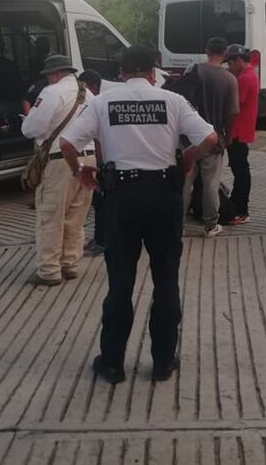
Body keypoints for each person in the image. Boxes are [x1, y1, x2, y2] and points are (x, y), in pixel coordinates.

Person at [58, 46, 218, 383]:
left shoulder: (101, 103)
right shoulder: (171, 100)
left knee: (120, 282)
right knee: (165, 279)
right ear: (151, 72)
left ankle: (113, 363)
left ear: (121, 72)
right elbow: (210, 137)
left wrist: (80, 172)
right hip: (163, 195)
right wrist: (188, 155)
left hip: (122, 197)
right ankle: (162, 362)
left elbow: (68, 144)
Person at [20, 55, 95, 286]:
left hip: (60, 160)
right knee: (76, 215)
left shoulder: (51, 93)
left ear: (54, 74)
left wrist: (27, 118)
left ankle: (49, 270)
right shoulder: (90, 95)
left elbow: (32, 128)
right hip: (89, 159)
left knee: (51, 215)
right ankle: (69, 264)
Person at [182, 37, 239, 237]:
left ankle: (177, 223)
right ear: (225, 54)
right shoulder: (229, 79)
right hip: (214, 139)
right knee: (211, 185)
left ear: (207, 51)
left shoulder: (193, 71)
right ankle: (210, 225)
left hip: (188, 138)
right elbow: (232, 113)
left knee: (185, 182)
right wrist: (228, 137)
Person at [224, 44, 258, 225]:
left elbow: (234, 105)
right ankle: (236, 205)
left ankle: (241, 210)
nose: (228, 67)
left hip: (238, 131)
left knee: (241, 172)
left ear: (238, 60)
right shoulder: (247, 74)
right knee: (240, 170)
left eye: (230, 63)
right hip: (241, 130)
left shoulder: (245, 78)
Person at [79, 69, 107, 257]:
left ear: (93, 87)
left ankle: (102, 240)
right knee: (99, 204)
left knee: (102, 204)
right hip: (102, 160)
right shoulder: (97, 103)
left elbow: (99, 138)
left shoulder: (97, 105)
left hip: (102, 161)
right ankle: (98, 237)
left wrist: (99, 161)